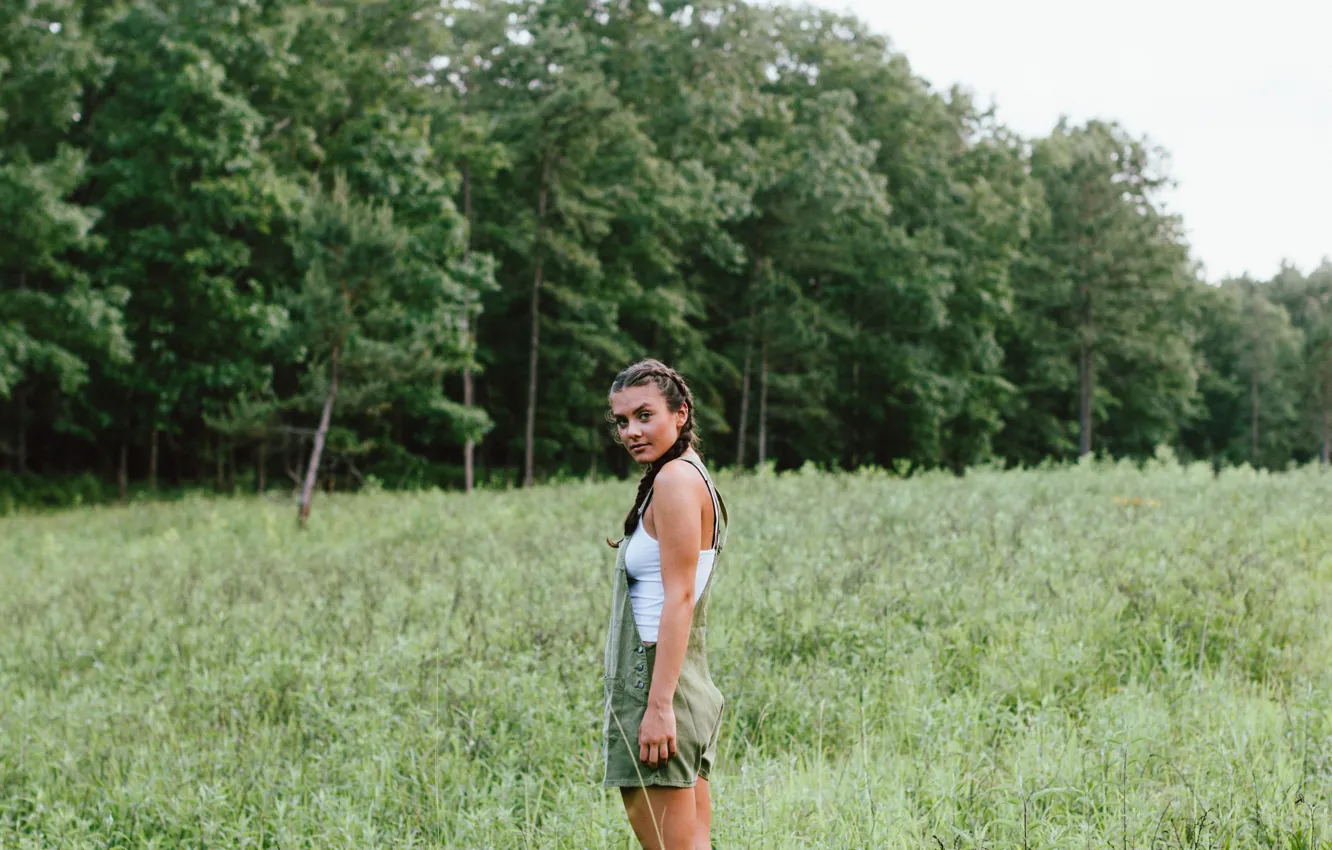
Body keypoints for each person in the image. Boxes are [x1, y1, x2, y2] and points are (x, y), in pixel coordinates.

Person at [602, 359, 730, 850]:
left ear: (680, 413)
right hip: (681, 684)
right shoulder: (683, 473)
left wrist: (656, 708)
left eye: (644, 415)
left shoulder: (676, 481)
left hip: (658, 689)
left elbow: (678, 598)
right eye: (622, 421)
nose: (631, 431)